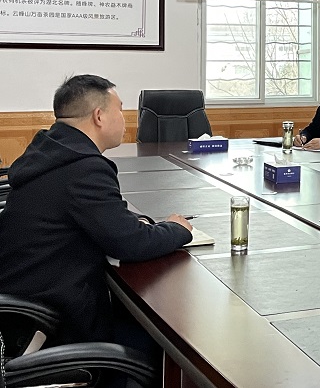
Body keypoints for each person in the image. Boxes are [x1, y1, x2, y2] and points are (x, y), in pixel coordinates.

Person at [0, 74, 193, 344]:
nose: (125, 119)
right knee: (159, 336)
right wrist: (177, 229)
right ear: (99, 116)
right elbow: (130, 243)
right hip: (48, 325)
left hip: (26, 298)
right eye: (120, 110)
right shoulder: (84, 169)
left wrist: (131, 220)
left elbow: (93, 215)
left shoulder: (52, 150)